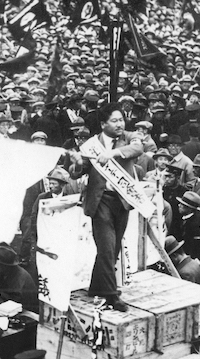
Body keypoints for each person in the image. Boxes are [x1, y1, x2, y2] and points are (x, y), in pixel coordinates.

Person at [68, 103, 143, 312]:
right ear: (103, 124)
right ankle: (112, 296)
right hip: (100, 202)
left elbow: (138, 149)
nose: (120, 124)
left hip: (122, 201)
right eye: (114, 121)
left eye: (121, 120)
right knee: (107, 248)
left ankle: (96, 287)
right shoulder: (92, 144)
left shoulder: (129, 137)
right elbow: (77, 172)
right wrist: (75, 162)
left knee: (113, 247)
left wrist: (113, 154)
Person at [0, 245, 38, 313]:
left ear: (5, 266)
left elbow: (14, 298)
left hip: (24, 309)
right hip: (7, 301)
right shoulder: (0, 270)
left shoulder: (19, 277)